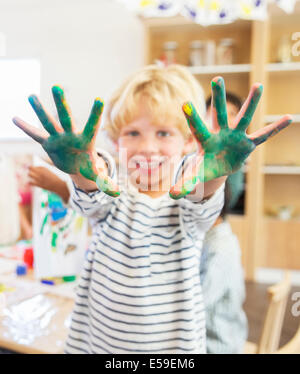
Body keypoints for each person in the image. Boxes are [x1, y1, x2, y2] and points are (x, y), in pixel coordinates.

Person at [12, 64, 292, 354]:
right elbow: (93, 190)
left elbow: (202, 201)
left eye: (163, 133)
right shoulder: (111, 193)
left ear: (188, 142)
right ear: (114, 140)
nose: (147, 147)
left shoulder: (185, 199)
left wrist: (217, 172)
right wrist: (79, 173)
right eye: (133, 132)